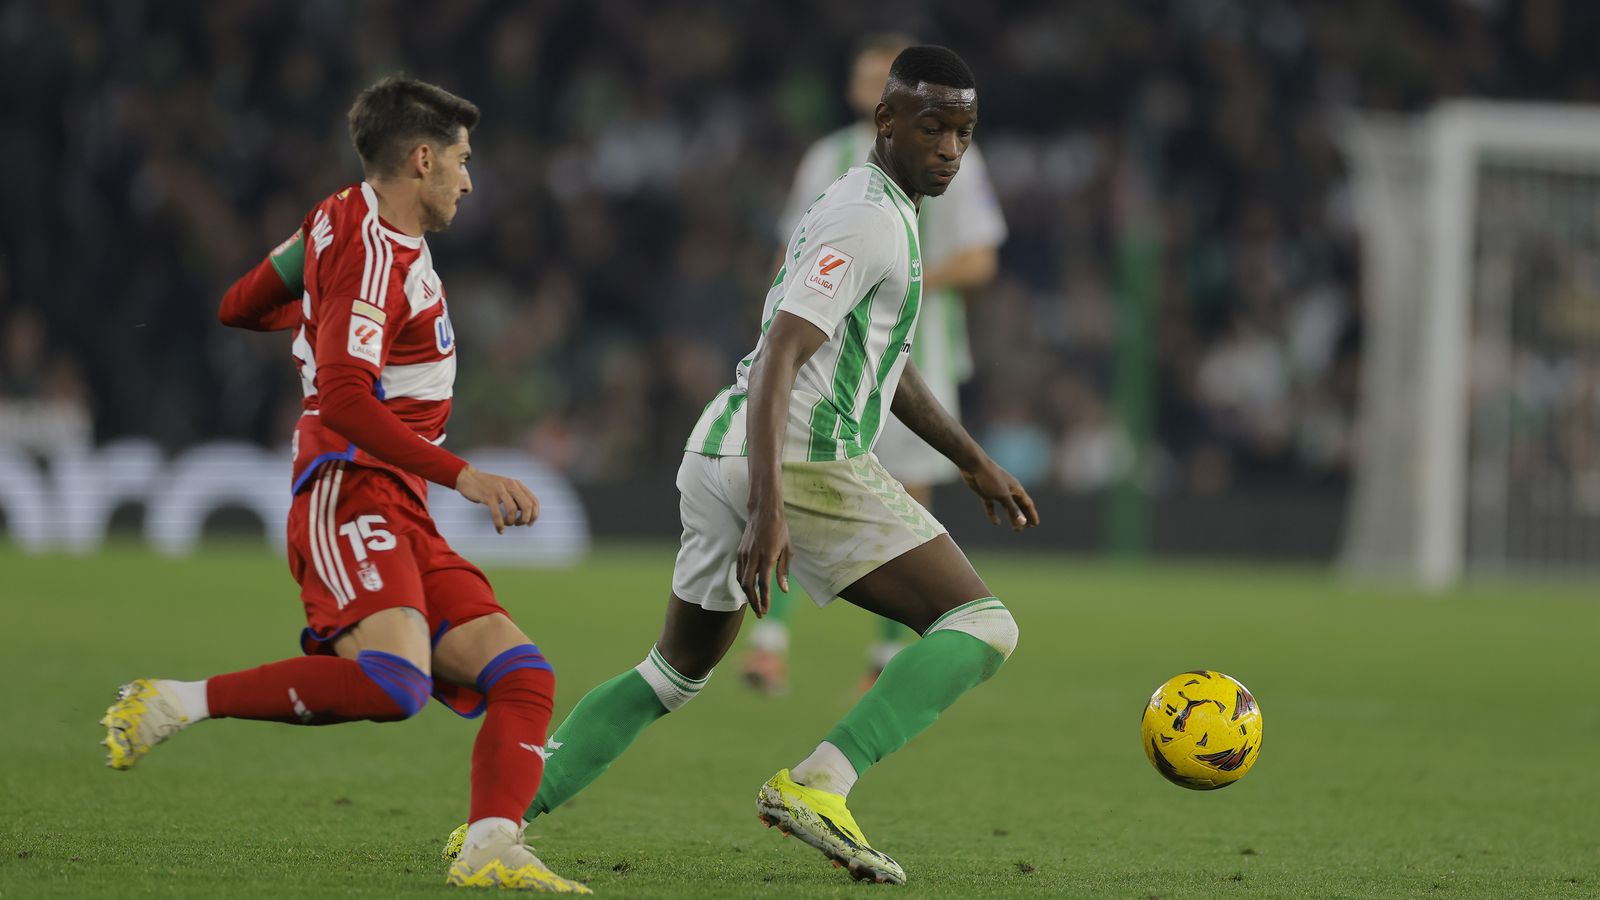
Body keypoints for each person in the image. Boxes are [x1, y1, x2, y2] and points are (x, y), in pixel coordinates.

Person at [442, 45, 1037, 886]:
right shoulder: (868, 217)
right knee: (984, 626)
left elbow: (882, 355)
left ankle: (493, 825)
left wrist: (971, 460)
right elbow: (782, 358)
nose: (949, 149)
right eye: (933, 127)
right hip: (797, 460)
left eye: (964, 133)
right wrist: (771, 508)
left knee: (672, 673)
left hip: (720, 448)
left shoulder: (875, 205)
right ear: (886, 122)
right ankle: (819, 783)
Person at [98, 75, 590, 894]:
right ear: (423, 161)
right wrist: (463, 473)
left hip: (398, 500)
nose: (471, 181)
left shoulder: (339, 214)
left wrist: (322, 318)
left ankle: (492, 846)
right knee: (394, 685)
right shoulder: (370, 251)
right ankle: (174, 702)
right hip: (350, 484)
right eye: (463, 162)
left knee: (523, 674)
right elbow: (349, 397)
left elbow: (239, 305)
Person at [742, 33, 1009, 695]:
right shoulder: (829, 162)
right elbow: (790, 256)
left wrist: (896, 284)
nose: (951, 145)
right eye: (863, 79)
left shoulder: (951, 159)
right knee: (811, 478)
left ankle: (883, 658)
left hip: (917, 354)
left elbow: (981, 259)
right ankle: (771, 642)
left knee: (904, 491)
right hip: (829, 354)